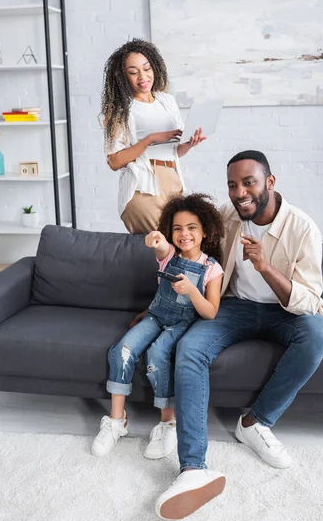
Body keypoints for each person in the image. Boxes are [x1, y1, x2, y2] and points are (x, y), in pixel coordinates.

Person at [155, 150, 323, 521]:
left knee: (319, 334)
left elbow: (308, 299)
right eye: (232, 185)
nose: (240, 193)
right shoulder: (228, 216)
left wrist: (264, 266)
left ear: (270, 183)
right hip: (235, 307)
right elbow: (188, 239)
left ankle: (255, 423)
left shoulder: (302, 228)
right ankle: (193, 469)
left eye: (249, 183)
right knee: (190, 348)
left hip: (284, 311)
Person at [91, 193, 225, 460]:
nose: (183, 234)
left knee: (158, 356)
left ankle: (168, 424)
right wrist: (157, 240)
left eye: (191, 228)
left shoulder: (212, 269)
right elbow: (162, 247)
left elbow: (210, 311)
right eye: (177, 228)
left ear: (205, 232)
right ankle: (117, 420)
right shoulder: (169, 254)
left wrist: (192, 291)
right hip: (155, 317)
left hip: (183, 324)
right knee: (121, 351)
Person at [101, 38, 206, 234]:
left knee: (185, 242)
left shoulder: (166, 101)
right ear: (123, 77)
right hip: (142, 186)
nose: (142, 76)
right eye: (133, 72)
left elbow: (175, 151)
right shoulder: (121, 109)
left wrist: (189, 144)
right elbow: (114, 162)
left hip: (173, 179)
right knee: (164, 244)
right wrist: (150, 139)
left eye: (147, 68)